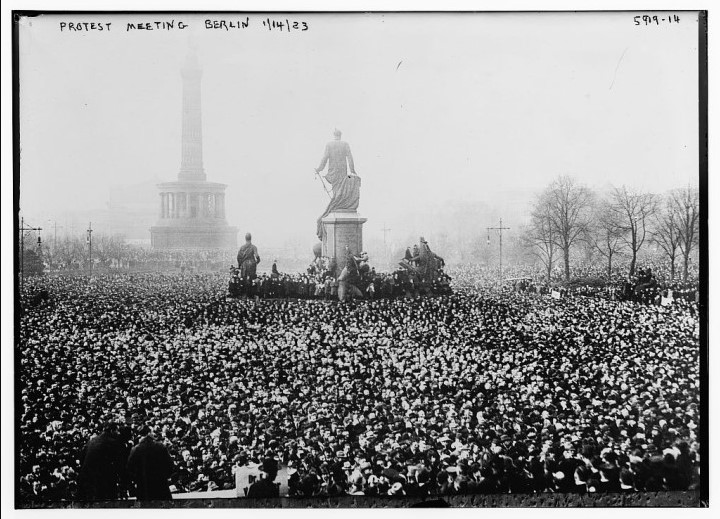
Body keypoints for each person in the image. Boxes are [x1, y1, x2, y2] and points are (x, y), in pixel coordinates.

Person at [315, 129, 361, 238]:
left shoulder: (329, 144)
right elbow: (350, 157)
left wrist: (319, 169)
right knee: (341, 191)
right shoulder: (345, 144)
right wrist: (352, 170)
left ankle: (337, 206)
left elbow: (324, 158)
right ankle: (338, 206)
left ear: (334, 135)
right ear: (340, 135)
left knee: (337, 192)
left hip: (333, 172)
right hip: (342, 171)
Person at [77, 422, 130, 501]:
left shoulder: (92, 441)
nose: (119, 433)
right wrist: (124, 484)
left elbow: (82, 458)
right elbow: (120, 466)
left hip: (86, 480)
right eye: (117, 431)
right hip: (102, 482)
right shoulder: (113, 443)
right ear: (112, 431)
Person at [127, 425, 175, 501]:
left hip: (143, 486)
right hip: (160, 484)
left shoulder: (135, 449)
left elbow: (130, 468)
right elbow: (170, 465)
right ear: (149, 433)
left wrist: (137, 480)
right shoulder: (160, 447)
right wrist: (165, 476)